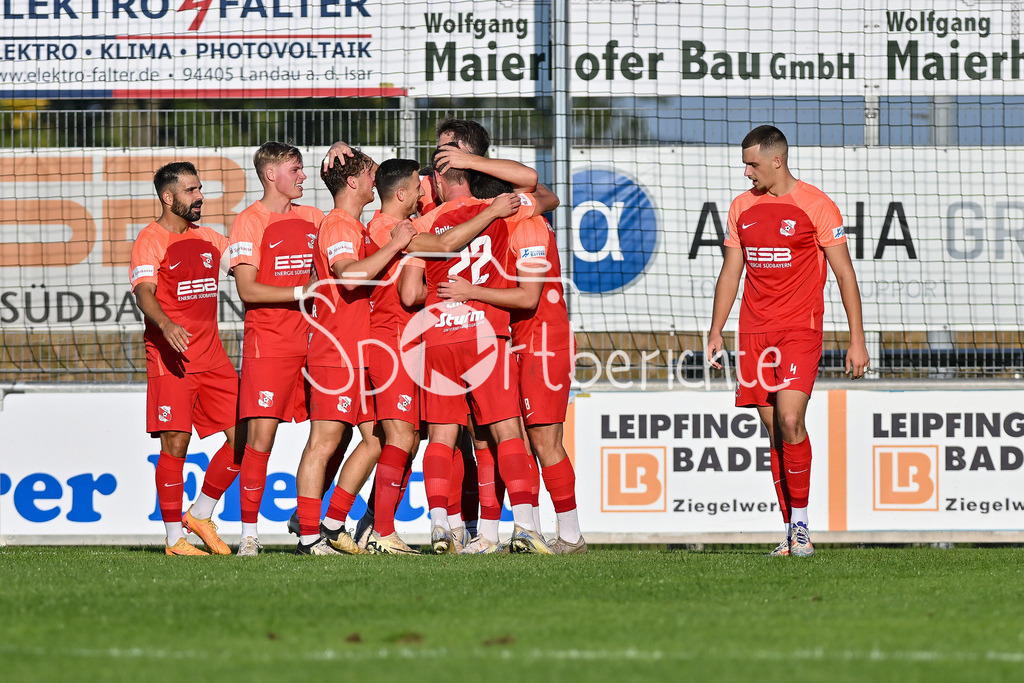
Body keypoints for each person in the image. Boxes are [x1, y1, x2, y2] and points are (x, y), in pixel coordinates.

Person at [705, 125, 869, 557]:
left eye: (752, 164)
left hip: (800, 329)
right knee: (775, 431)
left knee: (791, 421)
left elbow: (844, 274)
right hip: (754, 332)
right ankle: (789, 531)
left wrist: (858, 340)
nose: (745, 172)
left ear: (777, 160)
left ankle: (801, 525)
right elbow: (731, 272)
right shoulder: (742, 207)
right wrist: (715, 330)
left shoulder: (816, 205)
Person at [399, 145, 558, 555]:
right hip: (486, 334)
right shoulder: (504, 209)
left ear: (438, 181)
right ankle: (525, 526)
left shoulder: (425, 222)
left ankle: (439, 527)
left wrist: (441, 295)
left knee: (441, 436)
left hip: (437, 336)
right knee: (506, 432)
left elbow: (409, 292)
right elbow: (537, 187)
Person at [438, 170, 586, 554]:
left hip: (542, 340)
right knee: (499, 438)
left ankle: (571, 535)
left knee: (543, 439)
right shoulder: (500, 230)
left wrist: (471, 291)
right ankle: (516, 531)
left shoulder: (528, 226)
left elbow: (527, 299)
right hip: (507, 340)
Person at [129, 161, 243, 556]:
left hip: (213, 359)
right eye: (191, 191)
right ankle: (174, 538)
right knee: (175, 446)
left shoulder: (212, 237)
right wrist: (165, 324)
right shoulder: (150, 239)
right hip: (170, 358)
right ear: (168, 197)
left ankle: (202, 512)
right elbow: (144, 291)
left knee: (245, 439)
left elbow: (246, 273)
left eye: (200, 189)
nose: (200, 197)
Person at [227, 142, 325, 557]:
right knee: (260, 440)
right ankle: (248, 534)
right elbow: (248, 289)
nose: (303, 176)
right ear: (271, 175)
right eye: (295, 169)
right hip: (270, 345)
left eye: (302, 169)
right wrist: (301, 291)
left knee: (330, 434)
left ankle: (312, 523)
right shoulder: (249, 221)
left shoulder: (315, 218)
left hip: (319, 344)